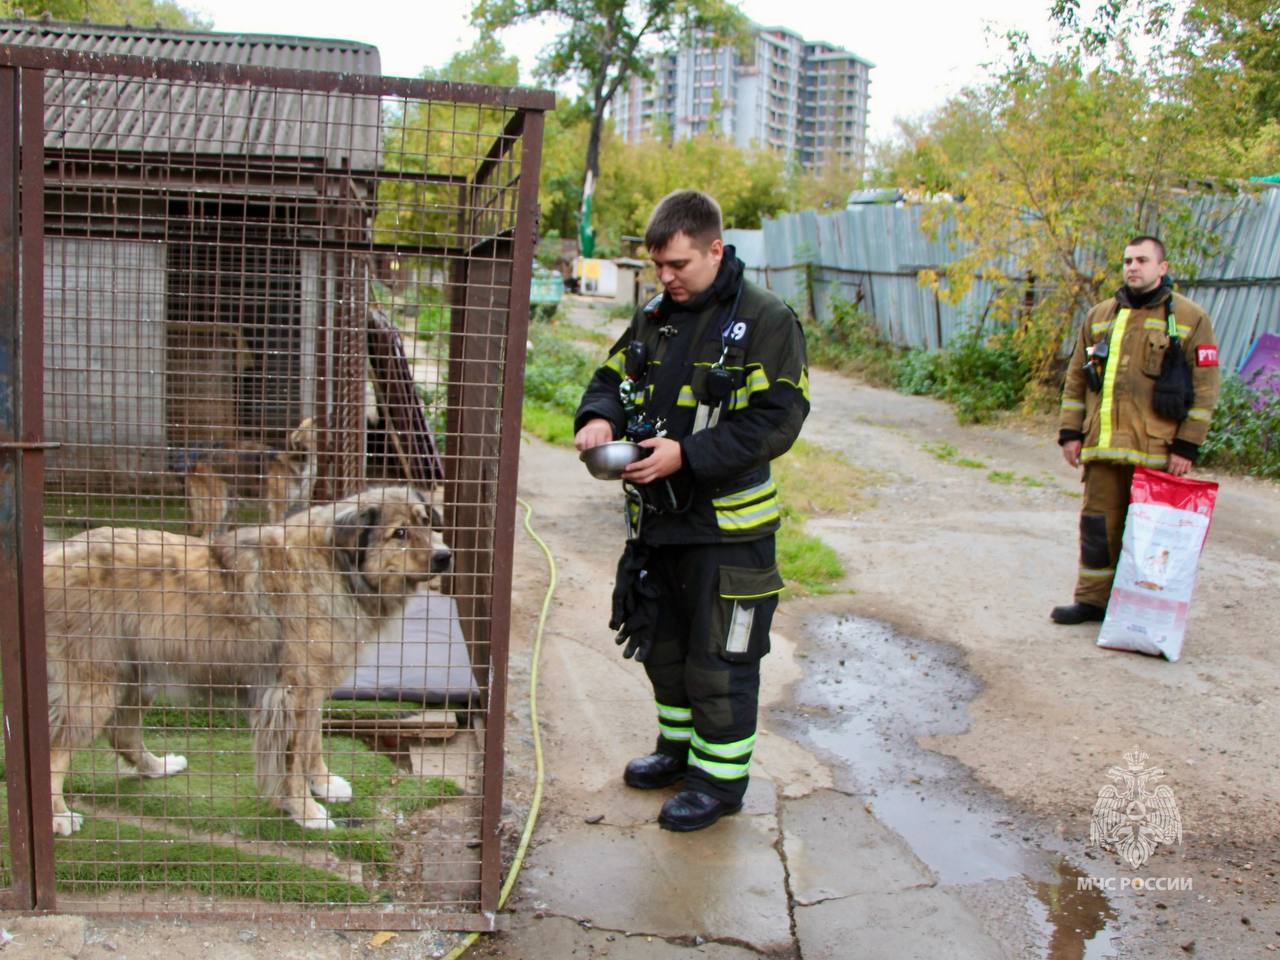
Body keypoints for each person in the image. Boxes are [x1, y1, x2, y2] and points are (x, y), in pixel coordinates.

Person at [574, 190, 809, 831]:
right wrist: (599, 418)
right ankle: (677, 754)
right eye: (658, 267)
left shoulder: (766, 320)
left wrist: (688, 455)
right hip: (658, 525)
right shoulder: (657, 314)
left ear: (715, 248)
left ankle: (720, 782)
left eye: (678, 264)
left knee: (720, 660)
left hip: (728, 533)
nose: (666, 278)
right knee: (664, 648)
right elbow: (613, 377)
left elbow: (777, 422)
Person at [1052, 235, 1221, 624]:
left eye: (1142, 260)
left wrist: (1187, 446)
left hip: (1158, 453)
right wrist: (1070, 433)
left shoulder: (1191, 319)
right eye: (1128, 260)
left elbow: (1206, 389)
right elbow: (1076, 381)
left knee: (1152, 538)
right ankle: (1092, 601)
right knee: (1097, 528)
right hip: (1102, 448)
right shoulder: (1099, 316)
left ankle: (1143, 610)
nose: (1132, 267)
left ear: (1162, 268)